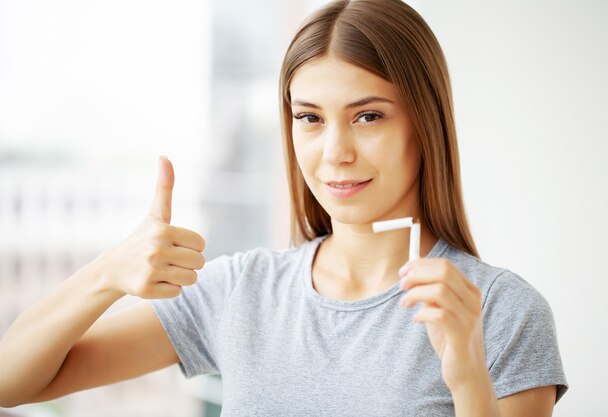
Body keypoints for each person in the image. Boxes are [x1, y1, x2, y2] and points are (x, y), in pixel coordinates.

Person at [0, 0, 568, 415]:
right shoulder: (241, 291)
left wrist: (468, 378)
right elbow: (13, 381)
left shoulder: (501, 312)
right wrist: (106, 275)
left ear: (426, 123)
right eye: (310, 118)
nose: (335, 153)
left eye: (368, 116)